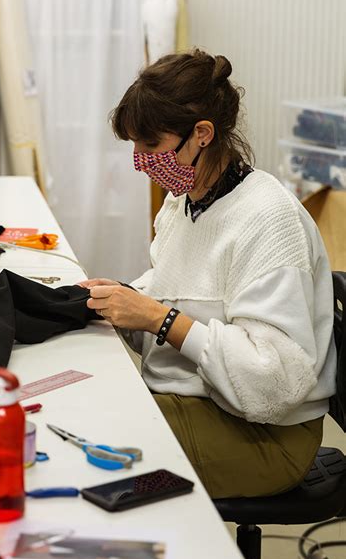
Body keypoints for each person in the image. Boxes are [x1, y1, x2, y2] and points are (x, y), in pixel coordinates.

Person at [78, 49, 337, 499]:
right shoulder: (185, 203)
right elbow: (177, 288)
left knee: (91, 452)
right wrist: (118, 301)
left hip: (265, 436)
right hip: (200, 402)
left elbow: (276, 381)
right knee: (83, 412)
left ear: (201, 134)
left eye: (151, 146)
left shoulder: (267, 218)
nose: (140, 161)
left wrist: (157, 317)